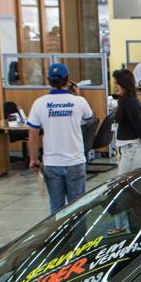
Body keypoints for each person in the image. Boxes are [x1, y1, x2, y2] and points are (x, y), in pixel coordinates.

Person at [27, 63, 94, 215]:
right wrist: (77, 95)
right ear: (68, 80)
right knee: (78, 209)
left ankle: (57, 238)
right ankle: (77, 239)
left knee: (56, 209)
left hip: (52, 164)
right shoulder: (79, 102)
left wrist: (33, 159)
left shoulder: (39, 103)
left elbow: (32, 135)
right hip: (75, 162)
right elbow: (89, 118)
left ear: (48, 80)